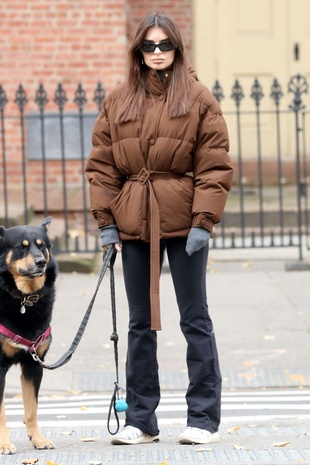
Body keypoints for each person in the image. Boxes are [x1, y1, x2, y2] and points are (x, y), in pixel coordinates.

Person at [86, 11, 233, 446]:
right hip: (133, 220)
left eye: (163, 45)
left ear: (176, 48)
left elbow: (214, 163)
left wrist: (203, 221)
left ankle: (203, 419)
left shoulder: (200, 98)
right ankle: (141, 419)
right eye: (148, 46)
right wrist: (107, 223)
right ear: (138, 50)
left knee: (194, 319)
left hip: (184, 219)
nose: (156, 53)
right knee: (139, 323)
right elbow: (102, 165)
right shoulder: (118, 100)